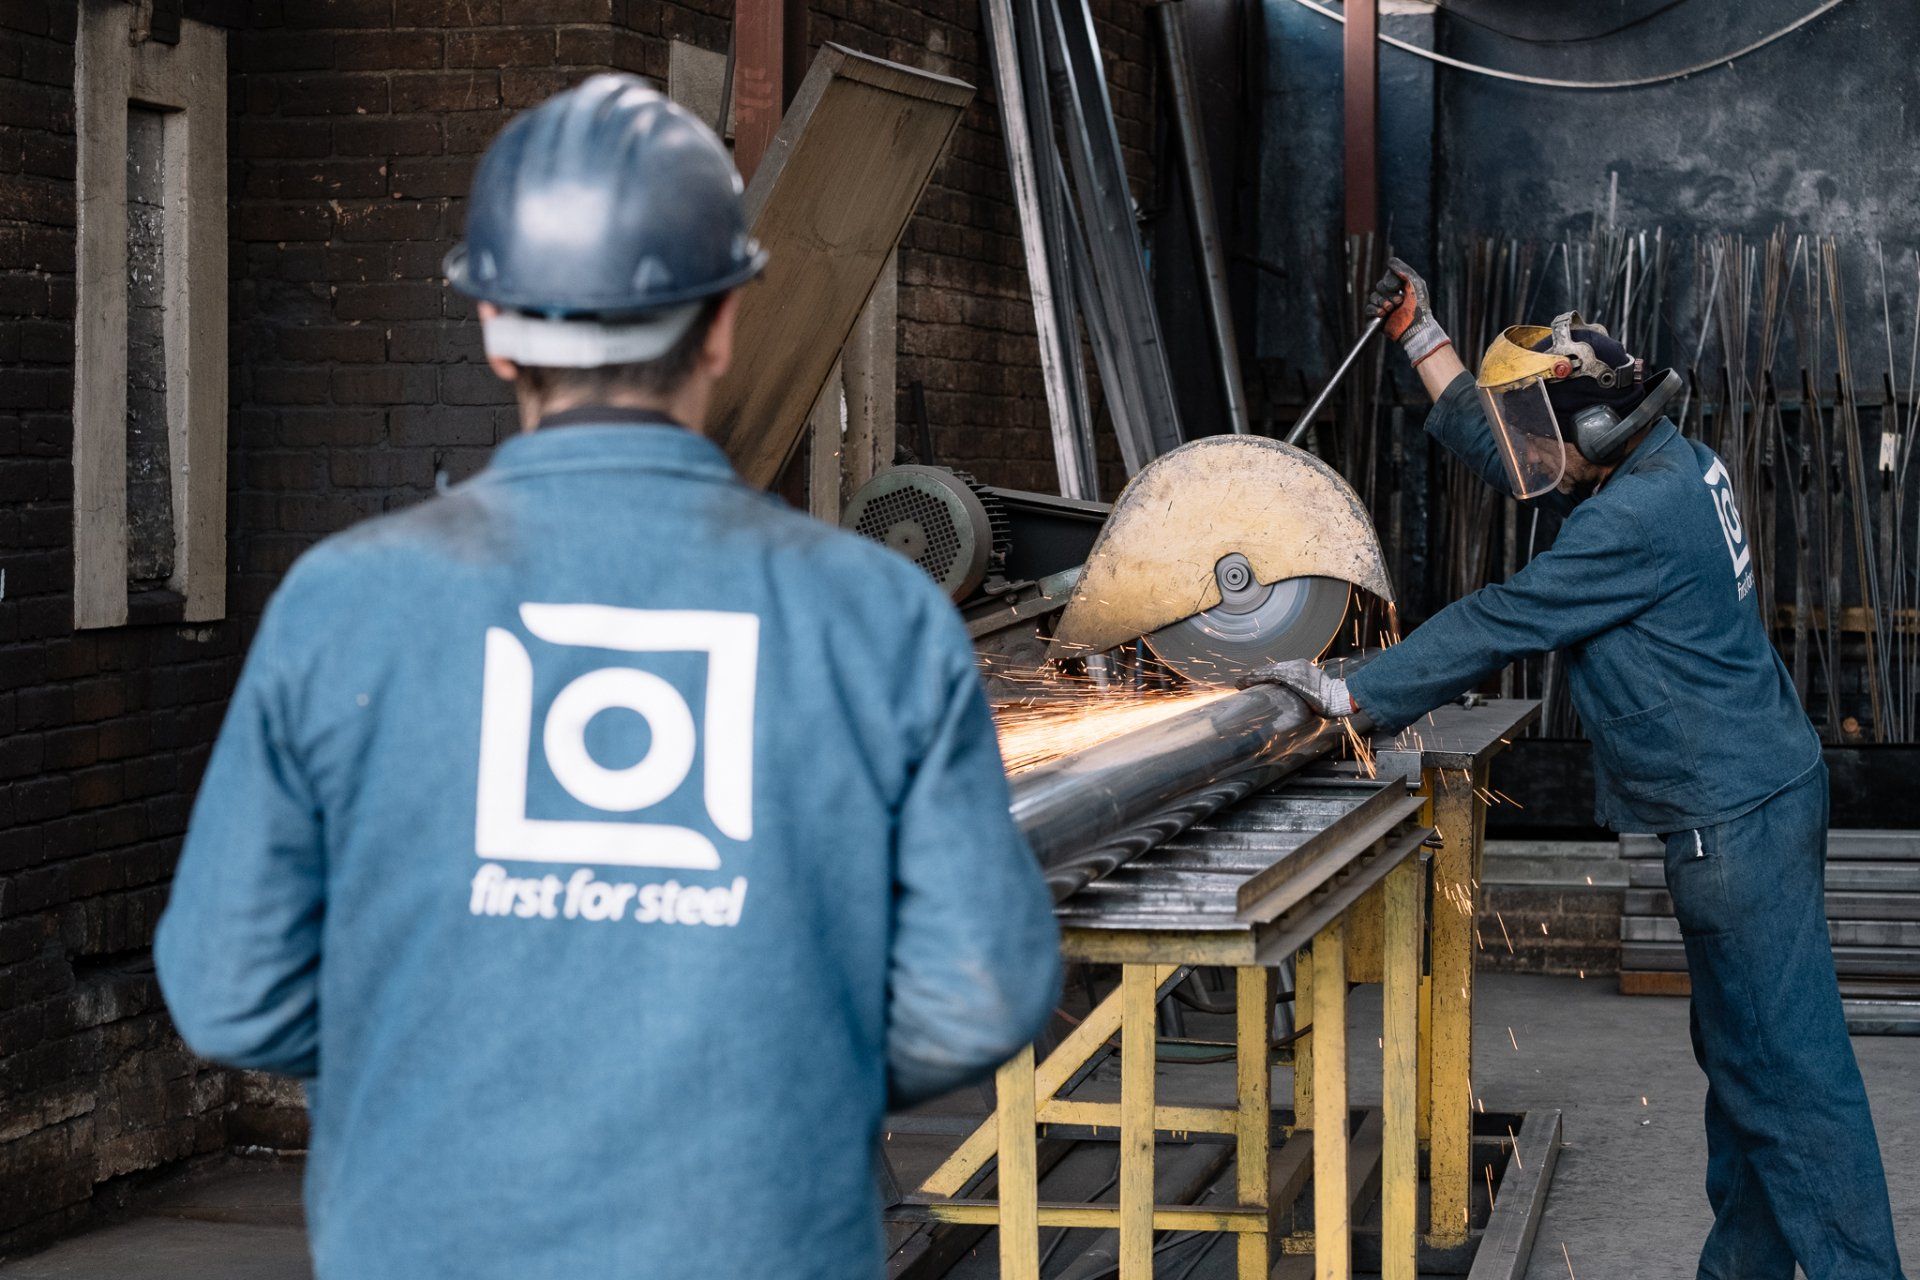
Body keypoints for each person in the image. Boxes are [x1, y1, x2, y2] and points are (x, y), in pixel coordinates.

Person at [154, 77, 1061, 1280]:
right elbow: (981, 988)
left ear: (492, 326)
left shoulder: (347, 605)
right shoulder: (877, 615)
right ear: (726, 322)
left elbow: (230, 990)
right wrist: (770, 1080)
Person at [1247, 259, 1905, 1280]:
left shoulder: (1629, 520)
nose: (1530, 458)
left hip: (1734, 821)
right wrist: (1422, 337)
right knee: (1746, 1070)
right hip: (1760, 792)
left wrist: (1347, 695)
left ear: (1589, 433)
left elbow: (1502, 617)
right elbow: (1512, 445)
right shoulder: (1658, 459)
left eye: (1543, 435)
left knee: (1791, 1082)